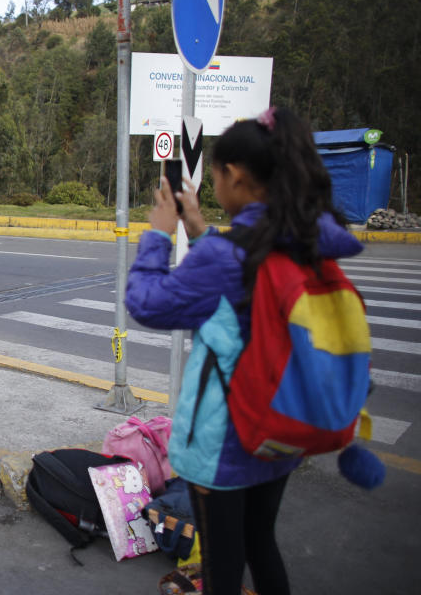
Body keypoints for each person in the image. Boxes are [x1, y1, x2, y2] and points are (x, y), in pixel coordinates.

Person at [125, 108, 361, 595]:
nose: (214, 189)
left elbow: (145, 304)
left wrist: (159, 234)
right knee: (261, 545)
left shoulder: (226, 258)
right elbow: (244, 287)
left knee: (221, 569)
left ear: (234, 174)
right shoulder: (302, 240)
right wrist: (200, 228)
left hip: (224, 450)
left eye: (215, 178)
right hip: (281, 432)